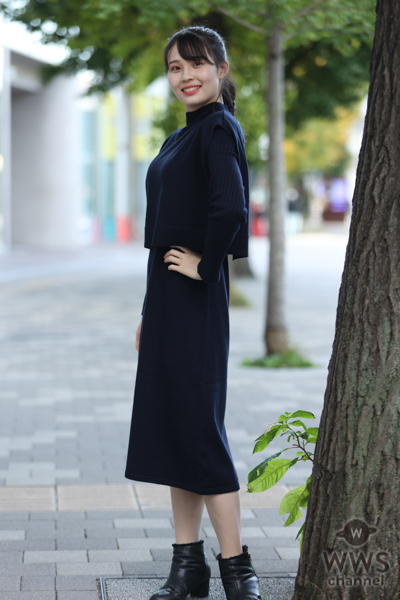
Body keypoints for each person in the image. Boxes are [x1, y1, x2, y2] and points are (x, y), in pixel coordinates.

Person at [125, 25, 262, 600]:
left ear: (221, 69)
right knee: (174, 432)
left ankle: (238, 570)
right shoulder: (179, 137)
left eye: (196, 64)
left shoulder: (218, 128)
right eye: (175, 67)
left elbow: (231, 208)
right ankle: (188, 570)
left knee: (200, 433)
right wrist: (148, 310)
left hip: (195, 302)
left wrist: (205, 268)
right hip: (167, 301)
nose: (185, 75)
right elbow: (165, 233)